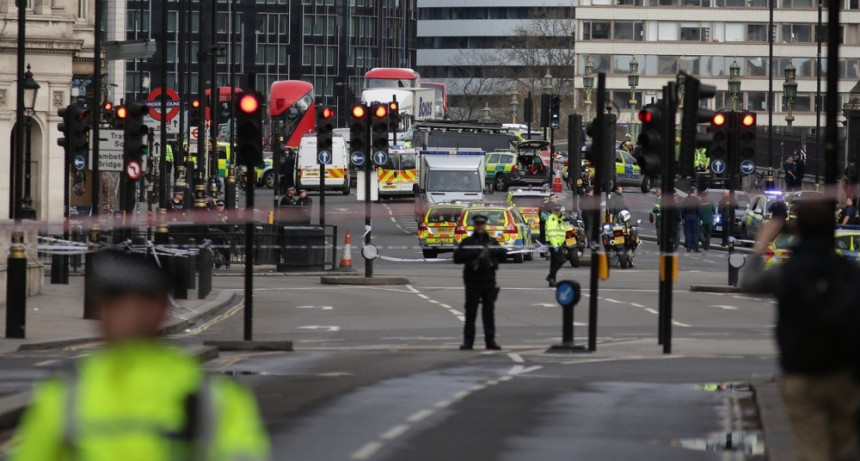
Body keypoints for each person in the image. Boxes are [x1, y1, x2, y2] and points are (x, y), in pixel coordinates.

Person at [11, 250, 270, 460]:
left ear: (158, 308)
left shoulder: (211, 399)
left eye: (123, 301)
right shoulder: (65, 394)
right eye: (107, 301)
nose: (110, 313)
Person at [741, 198, 860, 461]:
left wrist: (760, 246)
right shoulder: (850, 271)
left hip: (802, 374)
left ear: (798, 230)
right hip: (845, 375)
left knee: (813, 449)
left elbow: (749, 283)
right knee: (846, 449)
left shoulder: (788, 272)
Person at [453, 215, 506, 351]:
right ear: (474, 226)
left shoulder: (492, 242)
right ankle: (468, 342)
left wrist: (498, 251)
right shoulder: (467, 242)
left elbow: (503, 257)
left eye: (482, 224)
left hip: (488, 280)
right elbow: (457, 258)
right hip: (472, 281)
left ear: (485, 225)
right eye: (478, 224)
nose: (480, 227)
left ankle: (490, 341)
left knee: (489, 312)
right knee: (471, 312)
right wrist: (471, 253)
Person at [544, 204, 567, 288]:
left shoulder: (558, 219)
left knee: (554, 262)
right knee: (561, 260)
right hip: (554, 243)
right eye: (555, 210)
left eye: (558, 210)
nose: (557, 212)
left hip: (557, 243)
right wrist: (555, 245)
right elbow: (552, 233)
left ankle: (552, 281)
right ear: (552, 211)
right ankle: (550, 277)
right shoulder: (552, 219)